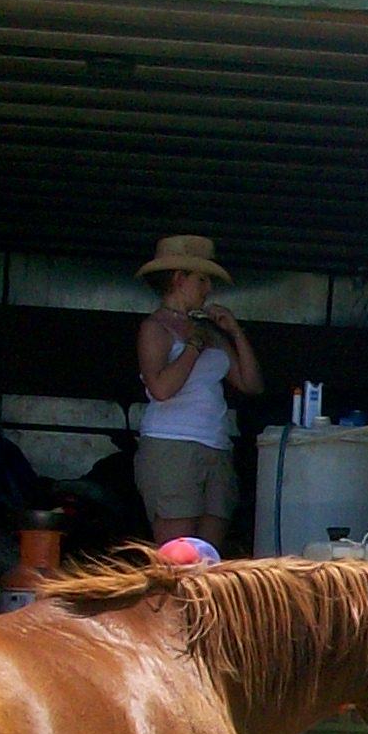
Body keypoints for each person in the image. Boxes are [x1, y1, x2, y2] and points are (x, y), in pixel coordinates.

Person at [134, 234, 262, 549]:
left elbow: (250, 384)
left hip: (216, 445)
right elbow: (161, 388)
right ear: (179, 279)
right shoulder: (155, 327)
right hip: (172, 444)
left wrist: (234, 332)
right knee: (178, 555)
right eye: (202, 280)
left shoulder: (210, 330)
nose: (208, 289)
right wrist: (193, 346)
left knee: (208, 556)